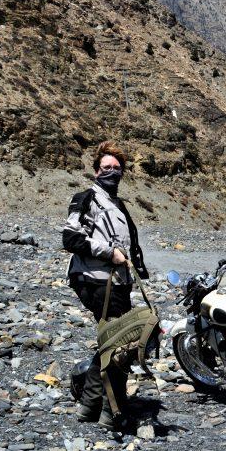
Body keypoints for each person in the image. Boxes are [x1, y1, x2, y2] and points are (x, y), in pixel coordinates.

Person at [62, 141, 149, 426]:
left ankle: (90, 406)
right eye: (106, 167)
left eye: (116, 167)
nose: (112, 172)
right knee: (120, 344)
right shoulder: (86, 198)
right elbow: (71, 239)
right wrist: (109, 252)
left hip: (117, 282)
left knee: (113, 342)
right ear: (96, 171)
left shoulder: (116, 204)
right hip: (95, 280)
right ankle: (113, 411)